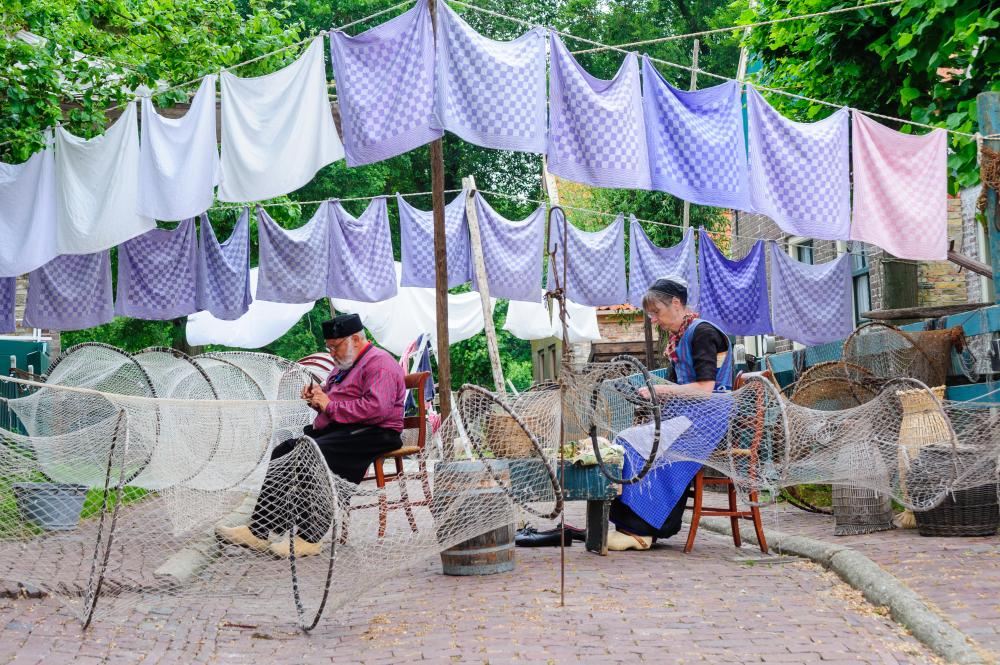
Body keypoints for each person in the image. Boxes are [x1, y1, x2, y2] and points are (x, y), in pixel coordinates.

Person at [217, 313, 406, 558]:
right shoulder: (345, 366)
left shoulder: (380, 363)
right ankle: (259, 531)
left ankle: (309, 537)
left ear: (357, 340)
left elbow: (377, 409)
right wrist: (316, 397)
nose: (333, 354)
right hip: (345, 429)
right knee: (284, 450)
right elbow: (332, 396)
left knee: (310, 454)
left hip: (375, 432)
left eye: (336, 347)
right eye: (329, 348)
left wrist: (329, 406)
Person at [607, 278, 732, 551]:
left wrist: (661, 389)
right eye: (651, 314)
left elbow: (705, 389)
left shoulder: (703, 333)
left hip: (707, 420)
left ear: (676, 304)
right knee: (627, 438)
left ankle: (642, 530)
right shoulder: (681, 339)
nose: (654, 320)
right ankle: (630, 525)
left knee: (635, 442)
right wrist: (655, 393)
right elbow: (679, 388)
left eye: (657, 312)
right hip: (689, 417)